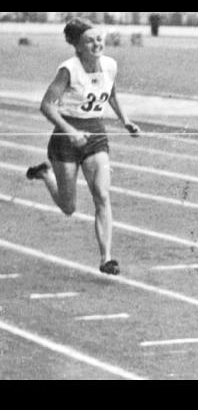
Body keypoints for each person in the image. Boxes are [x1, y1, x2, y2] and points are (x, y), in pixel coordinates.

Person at [25, 17, 141, 275]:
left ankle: (106, 258)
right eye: (89, 40)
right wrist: (70, 130)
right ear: (77, 45)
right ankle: (45, 174)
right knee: (69, 207)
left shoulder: (110, 65)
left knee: (102, 194)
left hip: (96, 134)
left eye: (99, 38)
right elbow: (46, 105)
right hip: (66, 138)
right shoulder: (68, 70)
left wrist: (126, 120)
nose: (97, 43)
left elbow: (110, 93)